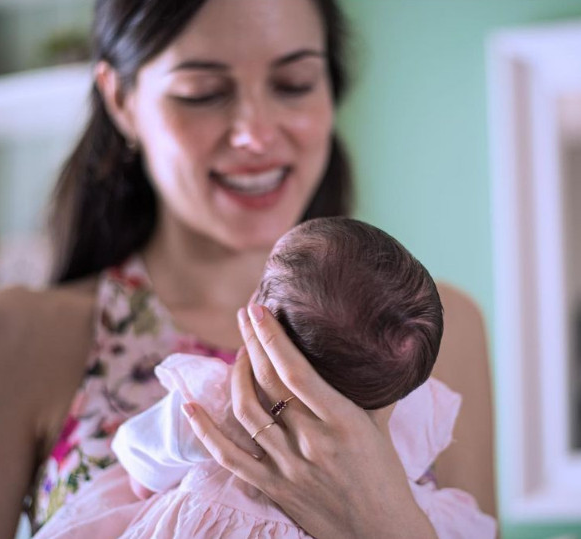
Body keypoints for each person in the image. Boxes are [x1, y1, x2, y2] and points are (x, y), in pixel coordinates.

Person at [0, 0, 496, 537]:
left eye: (294, 84)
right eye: (202, 93)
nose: (255, 133)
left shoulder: (431, 336)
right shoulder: (18, 337)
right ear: (120, 101)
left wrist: (377, 517)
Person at [34, 217, 495, 538]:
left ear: (261, 326)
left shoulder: (222, 396)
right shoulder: (412, 407)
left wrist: (142, 478)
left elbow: (142, 448)